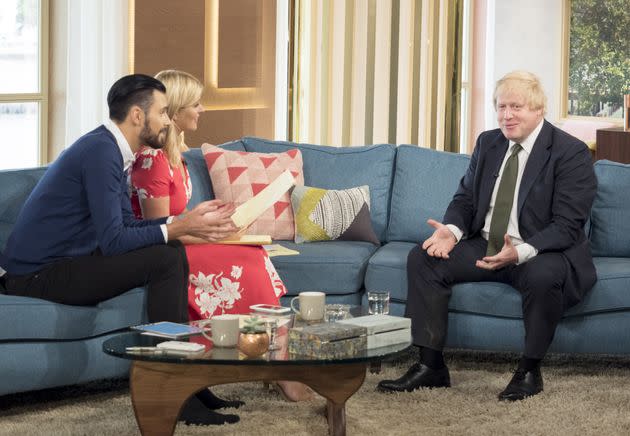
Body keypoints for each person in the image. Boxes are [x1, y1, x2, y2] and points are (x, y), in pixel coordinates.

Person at [0, 74, 243, 425]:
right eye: (162, 112)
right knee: (166, 258)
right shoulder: (100, 152)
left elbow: (126, 226)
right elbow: (114, 241)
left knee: (171, 250)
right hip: (37, 275)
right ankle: (172, 390)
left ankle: (187, 382)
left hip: (64, 264)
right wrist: (178, 228)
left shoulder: (112, 151)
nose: (166, 120)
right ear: (137, 116)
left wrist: (184, 224)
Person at [377, 71, 597, 401]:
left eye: (516, 107)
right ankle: (430, 365)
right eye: (501, 106)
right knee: (424, 257)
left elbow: (567, 225)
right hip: (487, 242)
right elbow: (465, 198)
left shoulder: (570, 152)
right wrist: (451, 233)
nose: (506, 115)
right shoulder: (488, 142)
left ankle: (528, 371)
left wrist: (520, 252)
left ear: (539, 109)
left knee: (543, 275)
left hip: (539, 249)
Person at [129, 69, 313, 402]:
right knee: (250, 258)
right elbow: (159, 230)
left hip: (180, 241)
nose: (203, 110)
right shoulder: (152, 160)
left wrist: (214, 223)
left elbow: (178, 218)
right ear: (175, 110)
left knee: (254, 252)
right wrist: (207, 232)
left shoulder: (176, 157)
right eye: (196, 104)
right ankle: (275, 364)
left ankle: (275, 359)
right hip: (161, 252)